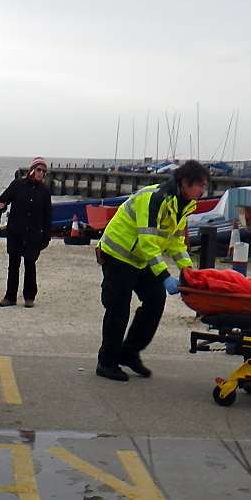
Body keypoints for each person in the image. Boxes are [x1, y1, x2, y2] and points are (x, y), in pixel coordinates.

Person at [94, 159, 209, 381]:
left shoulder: (183, 204)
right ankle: (106, 362)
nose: (203, 190)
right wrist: (165, 276)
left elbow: (175, 241)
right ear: (185, 182)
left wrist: (188, 271)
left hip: (140, 258)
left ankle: (129, 352)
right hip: (118, 254)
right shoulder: (154, 198)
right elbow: (148, 241)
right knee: (118, 309)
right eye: (200, 185)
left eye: (204, 185)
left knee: (155, 302)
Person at [0, 157, 52, 308]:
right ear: (32, 170)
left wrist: (46, 237)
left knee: (30, 264)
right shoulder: (17, 185)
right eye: (39, 170)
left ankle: (29, 297)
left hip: (33, 235)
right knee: (13, 265)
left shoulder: (45, 191)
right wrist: (1, 208)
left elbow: (48, 216)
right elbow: (2, 200)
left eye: (43, 171)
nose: (41, 173)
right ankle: (10, 297)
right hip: (16, 233)